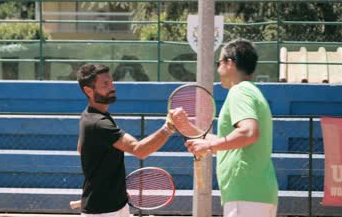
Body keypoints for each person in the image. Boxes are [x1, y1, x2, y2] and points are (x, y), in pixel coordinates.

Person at [171, 39, 278, 217]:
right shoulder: (251, 91)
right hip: (253, 195)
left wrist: (209, 146)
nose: (217, 68)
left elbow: (249, 132)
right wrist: (188, 127)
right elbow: (229, 145)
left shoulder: (240, 91)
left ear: (229, 63)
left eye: (218, 62)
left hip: (246, 196)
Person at [76, 63, 175, 216]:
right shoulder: (98, 123)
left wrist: (114, 188)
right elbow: (139, 150)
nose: (112, 87)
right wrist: (169, 128)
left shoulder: (88, 116)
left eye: (111, 82)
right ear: (89, 91)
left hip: (116, 205)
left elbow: (81, 148)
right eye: (105, 84)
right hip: (103, 212)